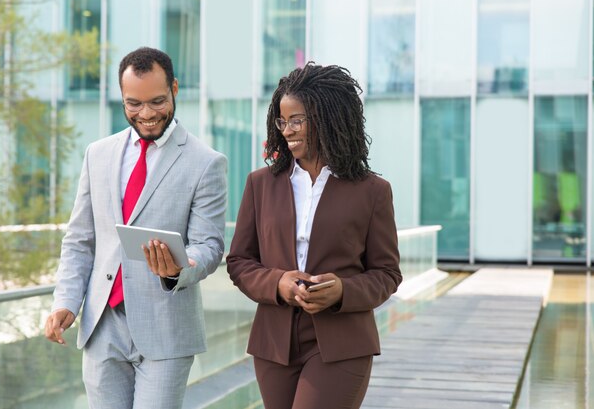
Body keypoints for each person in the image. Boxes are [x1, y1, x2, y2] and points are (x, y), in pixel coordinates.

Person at [44, 47, 227, 409]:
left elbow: (209, 245)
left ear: (174, 88)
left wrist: (179, 269)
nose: (146, 114)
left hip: (167, 328)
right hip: (102, 325)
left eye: (157, 101)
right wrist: (66, 301)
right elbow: (80, 240)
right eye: (134, 103)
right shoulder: (98, 154)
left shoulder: (206, 163)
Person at [226, 62, 402, 409]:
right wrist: (278, 283)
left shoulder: (372, 191)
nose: (287, 130)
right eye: (282, 121)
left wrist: (342, 291)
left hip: (341, 344)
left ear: (327, 118)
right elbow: (239, 262)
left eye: (297, 120)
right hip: (274, 344)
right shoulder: (260, 185)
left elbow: (387, 273)